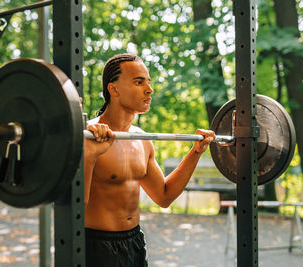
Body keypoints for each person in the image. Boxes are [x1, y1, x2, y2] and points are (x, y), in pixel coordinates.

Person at [84, 53, 215, 267]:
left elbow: (164, 196)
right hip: (96, 246)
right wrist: (89, 155)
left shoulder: (142, 140)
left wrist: (196, 152)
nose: (149, 89)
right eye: (138, 82)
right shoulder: (88, 136)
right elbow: (72, 208)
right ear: (113, 89)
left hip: (134, 243)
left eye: (148, 82)